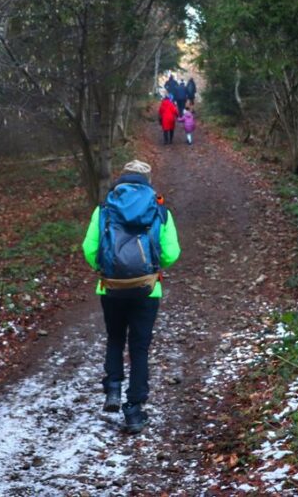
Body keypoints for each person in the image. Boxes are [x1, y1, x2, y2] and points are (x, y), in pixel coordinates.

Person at [81, 160, 181, 433]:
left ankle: (113, 388)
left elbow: (89, 247)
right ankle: (134, 411)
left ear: (122, 178)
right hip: (147, 289)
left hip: (110, 287)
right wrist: (153, 268)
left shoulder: (104, 208)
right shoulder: (159, 209)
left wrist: (103, 269)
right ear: (147, 180)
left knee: (115, 337)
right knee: (139, 348)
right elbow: (172, 252)